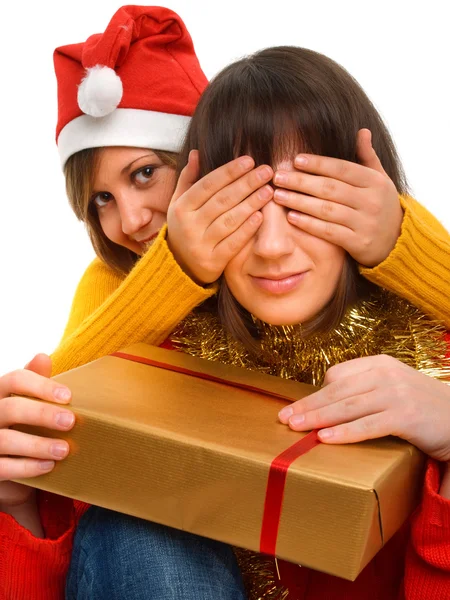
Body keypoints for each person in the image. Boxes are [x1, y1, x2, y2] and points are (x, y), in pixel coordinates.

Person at [0, 6, 450, 597]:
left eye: (302, 202)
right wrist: (17, 502)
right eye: (237, 209)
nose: (270, 247)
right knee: (139, 516)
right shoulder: (143, 337)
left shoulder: (423, 363)